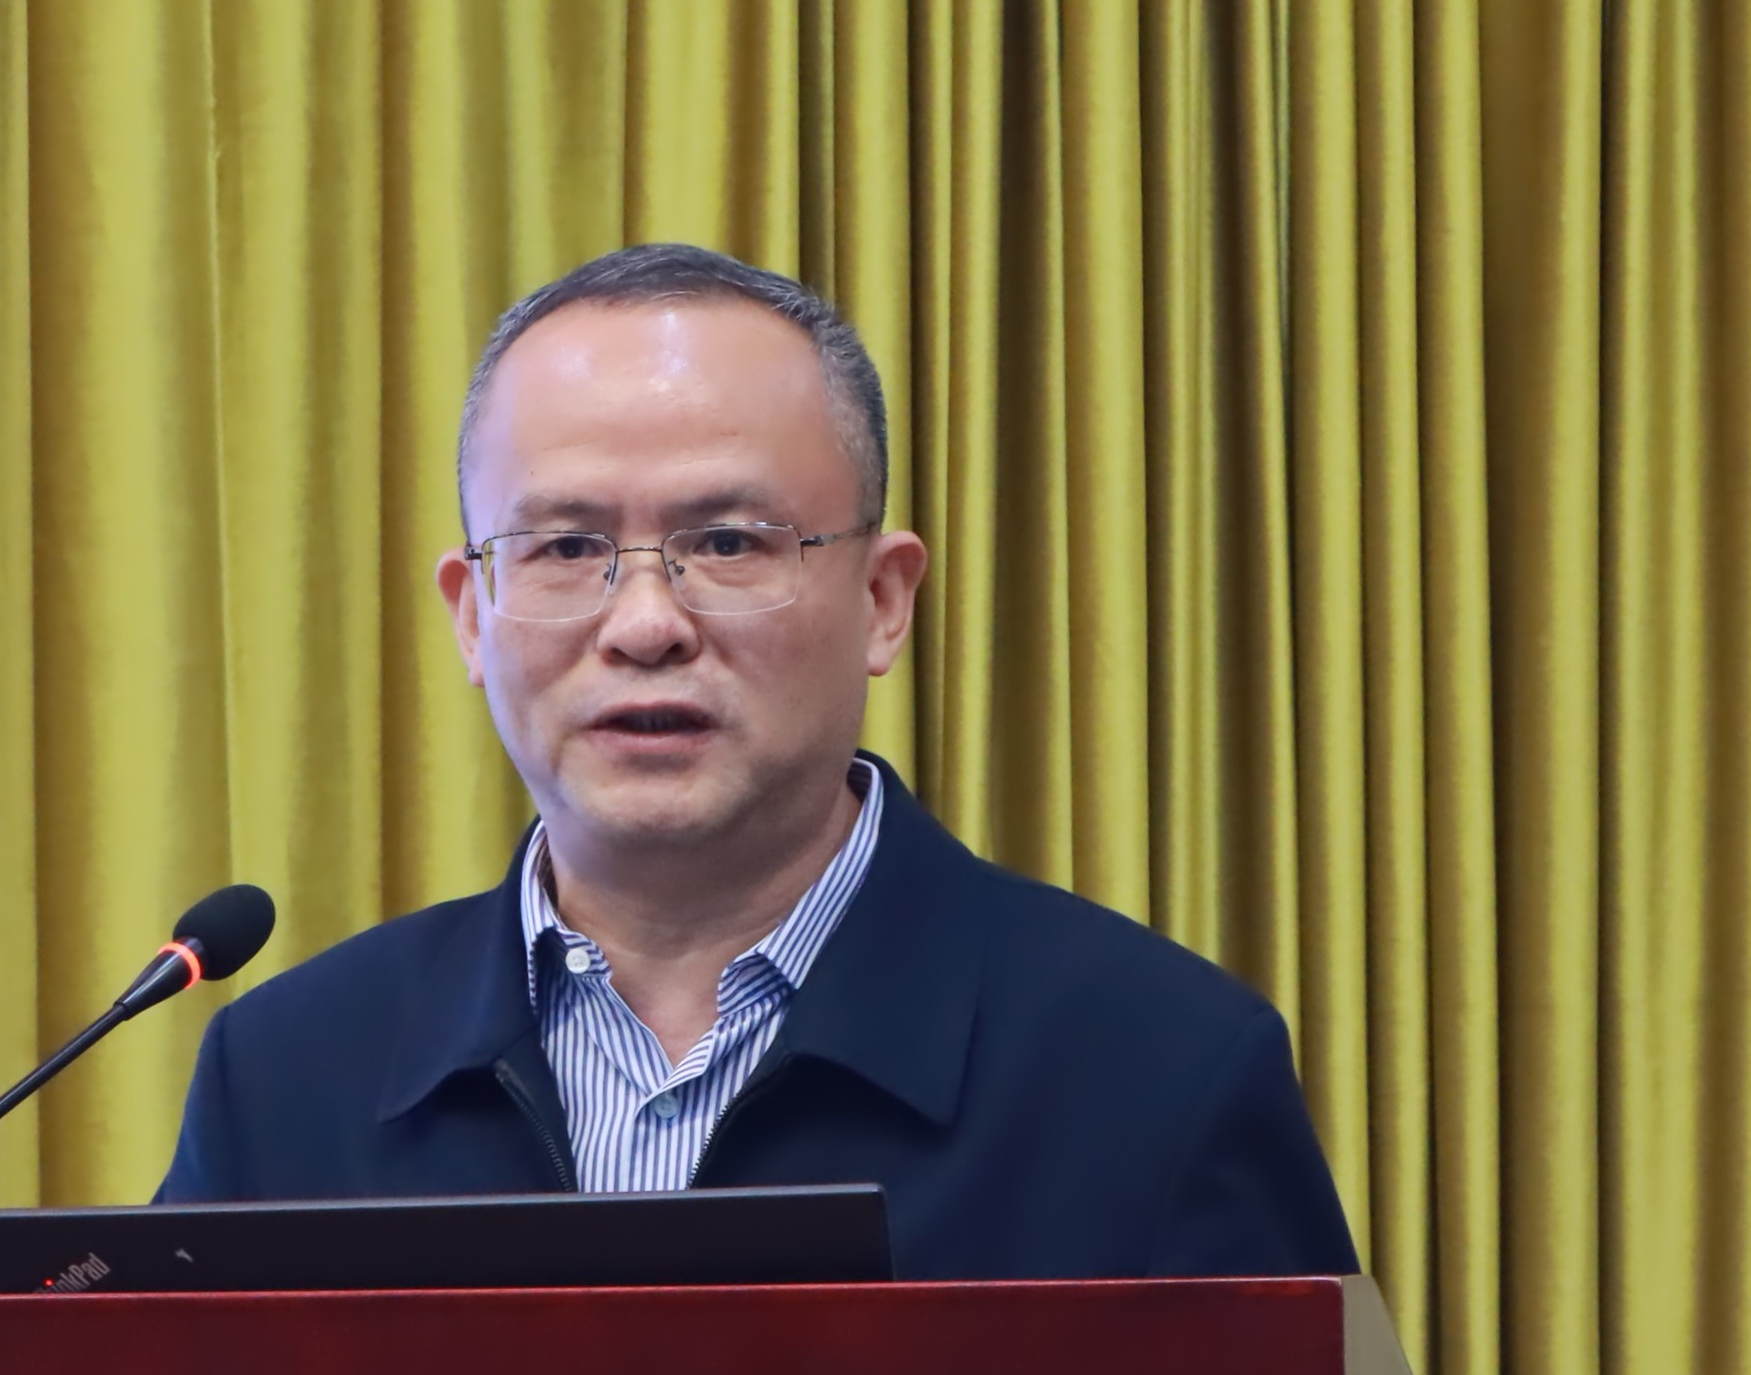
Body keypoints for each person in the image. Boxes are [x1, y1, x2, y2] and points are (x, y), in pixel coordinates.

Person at [157, 244, 1356, 1279]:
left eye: (727, 542)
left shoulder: (1156, 1071)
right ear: (472, 617)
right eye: (565, 547)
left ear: (882, 600)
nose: (643, 625)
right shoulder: (286, 1081)